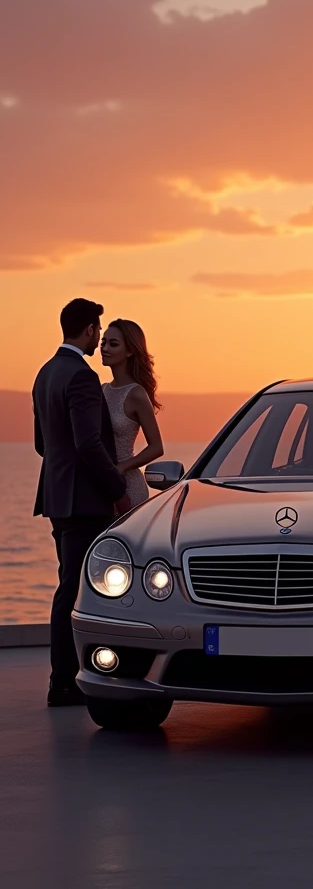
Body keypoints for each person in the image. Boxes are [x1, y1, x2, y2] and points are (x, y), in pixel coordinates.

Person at [33, 299, 130, 707]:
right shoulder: (82, 377)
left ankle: (70, 677)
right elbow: (88, 443)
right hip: (86, 499)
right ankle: (65, 682)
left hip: (57, 495)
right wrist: (116, 490)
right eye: (99, 331)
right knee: (76, 589)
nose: (99, 338)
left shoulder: (44, 374)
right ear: (90, 329)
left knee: (68, 583)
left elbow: (42, 443)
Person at [100, 318, 164, 508]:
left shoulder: (136, 393)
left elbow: (157, 447)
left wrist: (122, 467)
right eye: (103, 342)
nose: (105, 348)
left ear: (129, 351)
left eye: (113, 344)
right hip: (104, 486)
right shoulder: (102, 389)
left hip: (129, 487)